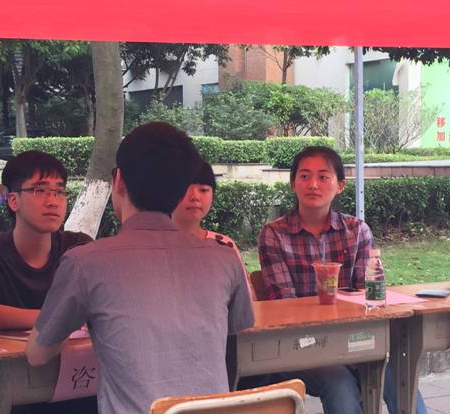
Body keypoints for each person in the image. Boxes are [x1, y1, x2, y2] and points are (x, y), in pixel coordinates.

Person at [25, 122, 255, 414]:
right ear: (183, 189)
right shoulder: (224, 258)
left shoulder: (85, 263)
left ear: (119, 180)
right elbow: (238, 326)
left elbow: (37, 354)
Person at [256, 145, 426, 414]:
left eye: (323, 177)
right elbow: (285, 306)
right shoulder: (274, 234)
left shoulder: (356, 231)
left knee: (397, 373)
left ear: (340, 186)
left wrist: (353, 342)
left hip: (355, 340)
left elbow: (366, 297)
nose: (313, 184)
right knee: (339, 383)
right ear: (293, 184)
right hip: (301, 345)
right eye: (304, 176)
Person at [0, 150, 95, 414]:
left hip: (70, 375)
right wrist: (53, 319)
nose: (53, 201)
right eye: (40, 190)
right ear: (13, 200)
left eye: (59, 191)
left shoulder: (77, 247)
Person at [172, 160, 256, 300]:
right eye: (184, 188)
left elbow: (245, 300)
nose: (194, 197)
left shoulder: (224, 245)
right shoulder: (151, 247)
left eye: (203, 190)